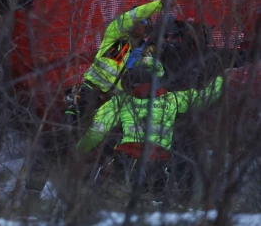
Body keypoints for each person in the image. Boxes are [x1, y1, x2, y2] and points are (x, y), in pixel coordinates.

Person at [75, 59, 224, 196]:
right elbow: (205, 97)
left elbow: (96, 132)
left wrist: (76, 152)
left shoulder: (120, 101)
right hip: (159, 162)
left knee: (115, 200)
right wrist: (222, 78)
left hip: (126, 160)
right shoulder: (172, 99)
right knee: (154, 204)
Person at [65, 0, 167, 125]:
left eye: (145, 27)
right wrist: (159, 5)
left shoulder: (134, 51)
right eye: (142, 24)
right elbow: (133, 16)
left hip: (108, 101)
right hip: (91, 91)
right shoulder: (114, 34)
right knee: (73, 125)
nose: (142, 31)